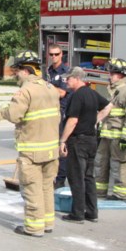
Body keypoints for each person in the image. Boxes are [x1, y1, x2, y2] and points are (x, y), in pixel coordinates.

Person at [0, 51, 61, 237]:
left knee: (32, 189)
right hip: (51, 150)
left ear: (25, 71)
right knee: (46, 188)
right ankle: (48, 223)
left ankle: (34, 227)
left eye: (17, 71)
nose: (16, 75)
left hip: (32, 151)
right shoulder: (50, 88)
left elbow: (14, 115)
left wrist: (4, 109)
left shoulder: (25, 91)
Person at [59, 67, 110, 224]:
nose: (66, 81)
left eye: (68, 79)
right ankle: (92, 212)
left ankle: (78, 213)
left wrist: (63, 140)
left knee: (76, 177)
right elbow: (108, 106)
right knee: (89, 177)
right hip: (91, 140)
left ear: (76, 78)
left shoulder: (77, 95)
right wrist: (94, 121)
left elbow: (72, 120)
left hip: (78, 141)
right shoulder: (92, 93)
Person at [95, 58, 126, 201]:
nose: (110, 76)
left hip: (119, 136)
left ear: (120, 75)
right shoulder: (111, 89)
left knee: (119, 165)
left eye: (112, 73)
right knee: (101, 163)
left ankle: (120, 194)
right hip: (107, 135)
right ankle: (99, 192)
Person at [44, 43, 71, 187]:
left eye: (56, 54)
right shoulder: (48, 71)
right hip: (50, 111)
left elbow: (62, 92)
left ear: (62, 55)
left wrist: (47, 87)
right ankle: (50, 176)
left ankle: (60, 180)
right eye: (51, 54)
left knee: (61, 146)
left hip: (62, 112)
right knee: (50, 146)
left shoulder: (65, 71)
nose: (53, 57)